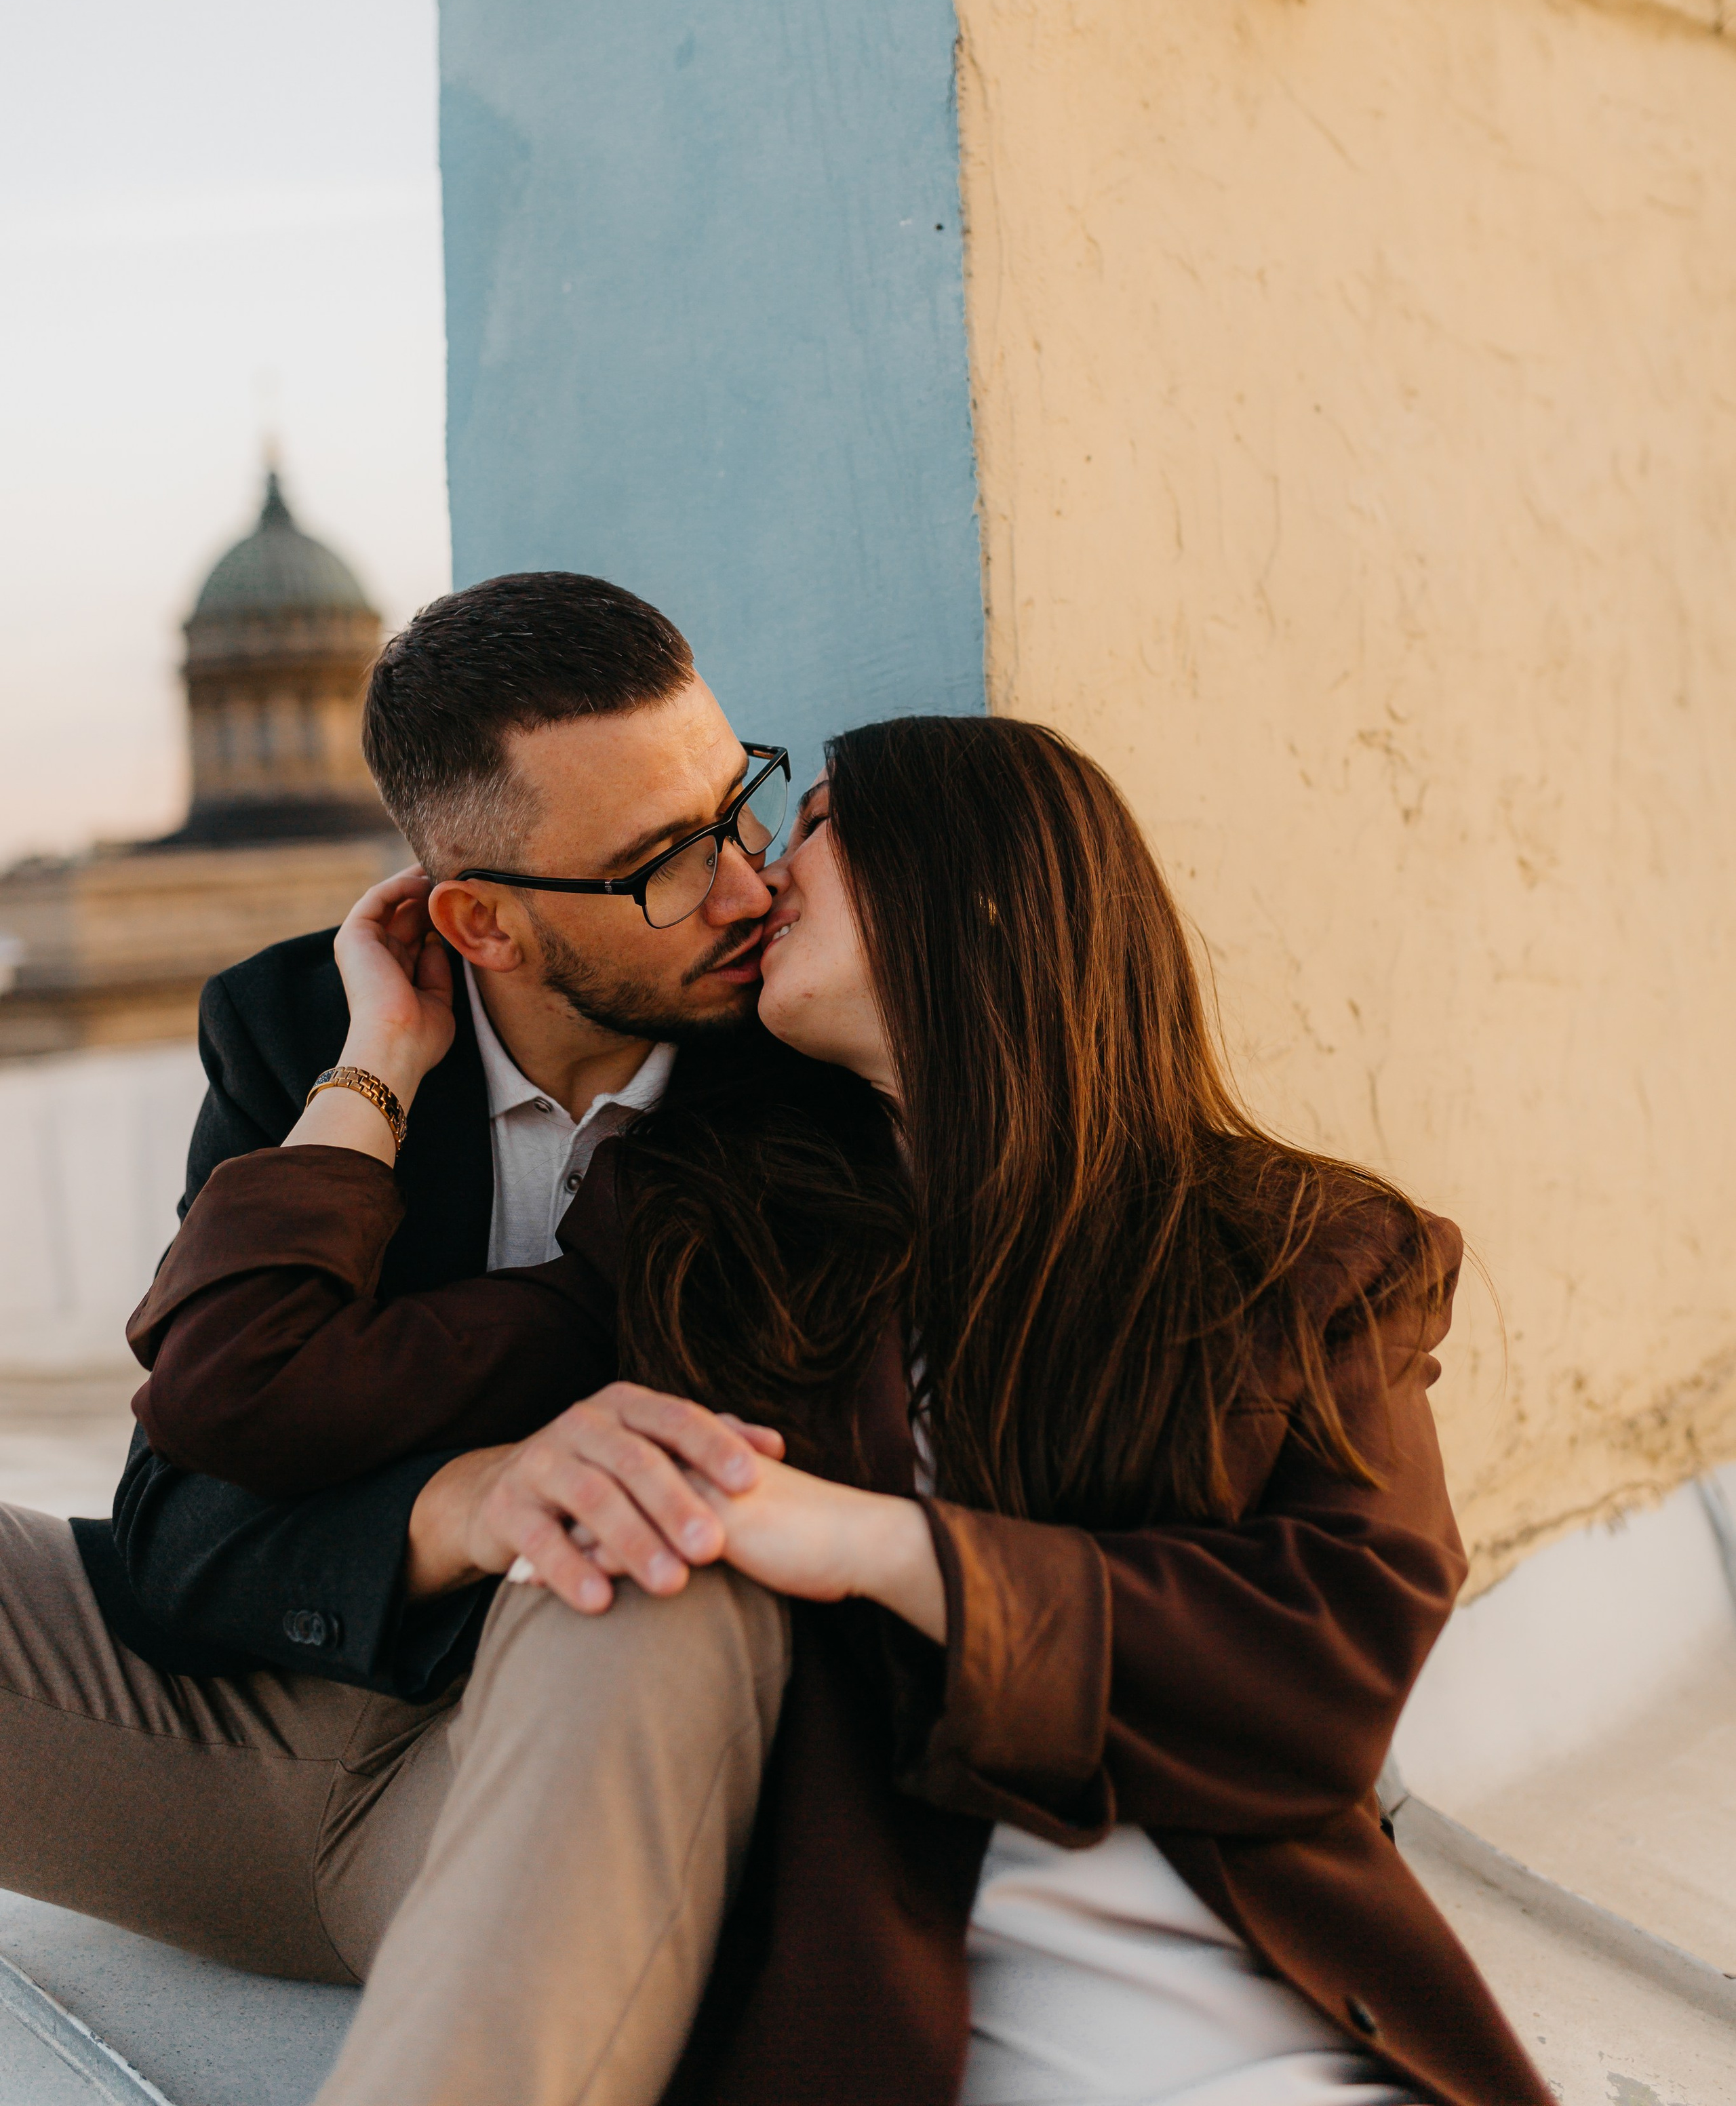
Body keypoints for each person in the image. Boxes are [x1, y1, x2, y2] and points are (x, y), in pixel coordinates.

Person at [132, 717, 1554, 2106]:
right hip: (899, 2014)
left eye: (812, 825)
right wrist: (376, 1055)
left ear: (972, 893)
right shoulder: (710, 1245)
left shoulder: (1305, 1255)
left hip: (1273, 2020)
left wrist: (878, 1546)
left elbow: (1328, 1668)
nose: (761, 879)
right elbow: (255, 1384)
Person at [0, 569, 885, 2106]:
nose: (747, 888)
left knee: (646, 1559)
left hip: (538, 1770)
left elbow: (255, 1402)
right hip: (231, 1727)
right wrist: (373, 1074)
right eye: (665, 866)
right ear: (476, 919)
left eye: (739, 806)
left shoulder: (799, 1074)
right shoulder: (298, 1024)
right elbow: (175, 1524)